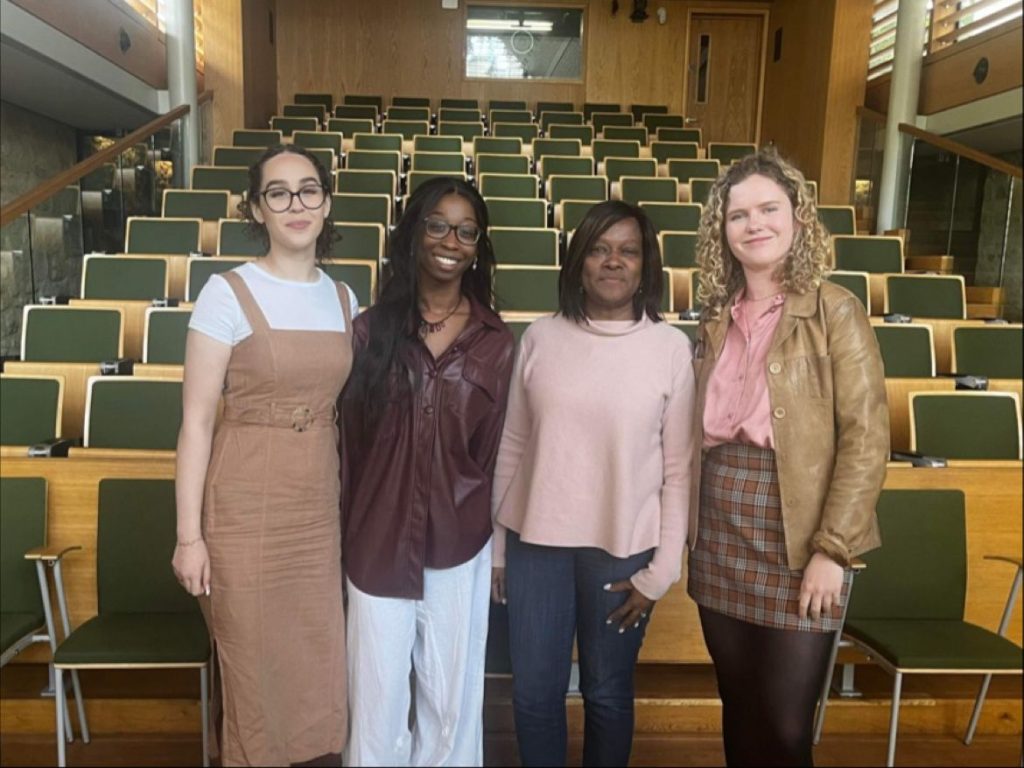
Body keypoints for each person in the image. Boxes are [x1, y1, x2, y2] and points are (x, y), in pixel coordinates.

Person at [687, 147, 889, 767]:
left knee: (784, 727)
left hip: (801, 531)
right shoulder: (715, 318)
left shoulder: (837, 311)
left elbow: (866, 439)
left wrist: (834, 549)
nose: (755, 224)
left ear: (798, 218)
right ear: (722, 232)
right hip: (722, 528)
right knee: (739, 705)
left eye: (769, 209)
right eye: (738, 214)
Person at [491, 200, 695, 767]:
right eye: (600, 249)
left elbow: (679, 471)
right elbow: (512, 444)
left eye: (628, 250)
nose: (613, 261)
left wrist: (662, 572)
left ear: (645, 266)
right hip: (536, 550)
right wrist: (498, 550)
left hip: (623, 555)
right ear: (578, 261)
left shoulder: (672, 349)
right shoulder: (539, 338)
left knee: (607, 695)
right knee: (534, 696)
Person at [172, 144, 357, 766]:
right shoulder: (226, 293)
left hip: (316, 513)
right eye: (278, 193)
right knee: (252, 670)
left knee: (316, 663)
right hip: (244, 510)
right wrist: (188, 537)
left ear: (326, 204)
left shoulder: (344, 299)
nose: (295, 204)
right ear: (258, 208)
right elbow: (196, 423)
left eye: (308, 190)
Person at [339, 177, 514, 767]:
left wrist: (495, 549)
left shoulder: (497, 344)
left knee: (450, 709)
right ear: (414, 233)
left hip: (458, 544)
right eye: (437, 225)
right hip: (375, 543)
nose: (451, 241)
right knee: (376, 706)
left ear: (478, 246)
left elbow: (493, 456)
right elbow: (349, 447)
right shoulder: (368, 332)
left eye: (466, 231)